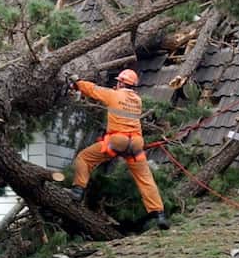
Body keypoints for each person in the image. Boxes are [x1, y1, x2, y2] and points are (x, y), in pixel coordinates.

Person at [68, 67, 170, 230]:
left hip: (117, 141)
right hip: (136, 144)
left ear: (122, 83)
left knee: (84, 158)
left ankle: (78, 190)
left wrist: (76, 82)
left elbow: (93, 89)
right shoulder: (138, 101)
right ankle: (159, 214)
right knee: (145, 180)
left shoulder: (113, 94)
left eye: (118, 82)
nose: (116, 85)